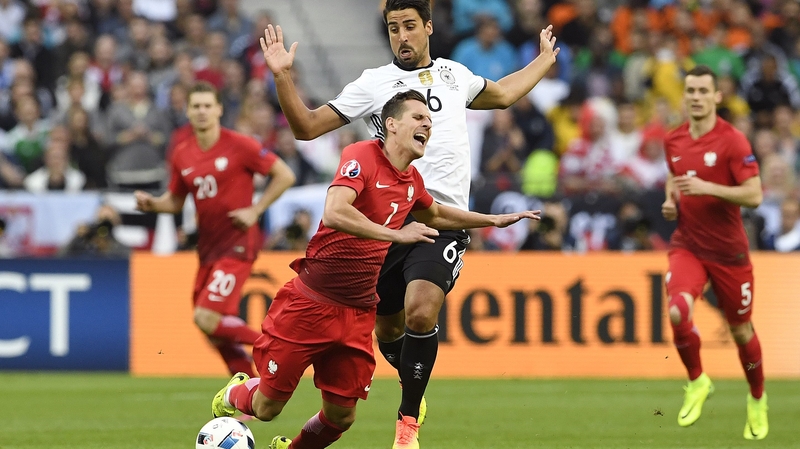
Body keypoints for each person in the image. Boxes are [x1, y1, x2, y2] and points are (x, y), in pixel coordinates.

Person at [258, 1, 559, 446]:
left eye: (409, 26)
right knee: (389, 330)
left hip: (441, 220)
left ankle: (407, 425)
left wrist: (543, 61)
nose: (401, 36)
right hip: (388, 225)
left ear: (428, 28)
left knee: (422, 310)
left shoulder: (456, 75)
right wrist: (282, 75)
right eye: (393, 27)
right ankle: (410, 378)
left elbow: (505, 94)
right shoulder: (375, 83)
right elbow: (305, 127)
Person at [210, 90, 540, 449]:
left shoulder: (411, 180)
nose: (427, 123)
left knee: (340, 417)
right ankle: (236, 392)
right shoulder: (361, 156)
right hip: (311, 302)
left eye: (429, 120)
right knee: (267, 407)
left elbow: (438, 214)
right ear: (392, 125)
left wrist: (491, 219)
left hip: (357, 314)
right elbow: (335, 211)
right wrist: (395, 234)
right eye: (417, 117)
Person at [134, 81, 295, 379]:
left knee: (206, 317)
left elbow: (284, 175)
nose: (202, 111)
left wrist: (256, 210)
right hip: (208, 250)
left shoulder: (239, 144)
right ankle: (247, 388)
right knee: (213, 329)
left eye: (208, 105)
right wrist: (153, 204)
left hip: (237, 245)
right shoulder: (182, 153)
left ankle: (273, 343)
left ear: (219, 109)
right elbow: (175, 201)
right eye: (196, 106)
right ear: (188, 111)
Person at [661, 65, 767, 440]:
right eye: (690, 90)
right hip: (688, 244)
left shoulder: (733, 141)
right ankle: (698, 381)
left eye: (704, 91)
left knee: (740, 330)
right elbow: (675, 180)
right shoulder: (673, 140)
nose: (696, 97)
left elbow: (754, 195)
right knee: (677, 310)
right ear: (684, 94)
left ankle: (756, 399)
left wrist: (709, 188)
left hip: (729, 253)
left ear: (717, 97)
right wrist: (670, 201)